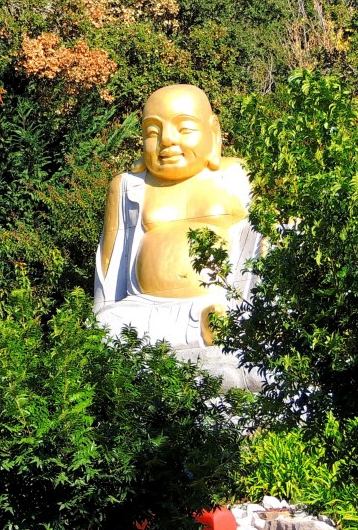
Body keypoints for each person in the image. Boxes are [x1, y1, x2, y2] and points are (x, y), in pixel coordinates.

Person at [94, 84, 261, 390]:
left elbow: (265, 238)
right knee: (105, 326)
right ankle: (201, 325)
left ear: (213, 132)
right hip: (146, 309)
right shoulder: (129, 187)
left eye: (184, 128)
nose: (167, 140)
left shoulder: (236, 175)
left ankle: (219, 327)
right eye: (152, 131)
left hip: (225, 302)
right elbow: (107, 273)